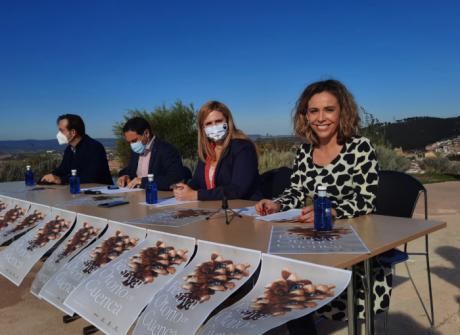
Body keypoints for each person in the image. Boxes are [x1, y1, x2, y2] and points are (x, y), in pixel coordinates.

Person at [255, 79, 385, 334]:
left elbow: (365, 199)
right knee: (280, 277)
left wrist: (330, 211)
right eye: (313, 111)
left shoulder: (361, 148)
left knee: (291, 279)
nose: (320, 118)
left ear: (342, 112)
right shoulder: (304, 152)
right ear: (305, 115)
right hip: (312, 242)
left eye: (329, 109)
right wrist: (276, 204)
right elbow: (296, 191)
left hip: (352, 249)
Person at [173, 101, 261, 201]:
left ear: (228, 122)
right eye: (209, 123)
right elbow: (197, 182)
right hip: (213, 208)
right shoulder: (207, 151)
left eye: (218, 121)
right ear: (203, 128)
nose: (214, 126)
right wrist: (185, 189)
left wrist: (196, 195)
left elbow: (238, 189)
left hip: (243, 208)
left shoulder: (243, 148)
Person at [41, 114, 113, 185]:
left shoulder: (94, 147)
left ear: (73, 132)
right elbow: (63, 170)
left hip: (100, 193)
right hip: (81, 192)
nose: (58, 134)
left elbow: (91, 177)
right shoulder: (69, 149)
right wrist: (48, 178)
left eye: (61, 131)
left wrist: (61, 180)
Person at [117, 117, 185, 190]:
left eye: (134, 141)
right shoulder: (137, 151)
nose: (131, 145)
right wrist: (125, 176)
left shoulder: (166, 150)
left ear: (146, 133)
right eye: (129, 142)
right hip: (136, 195)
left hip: (159, 197)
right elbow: (130, 169)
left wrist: (142, 181)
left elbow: (175, 179)